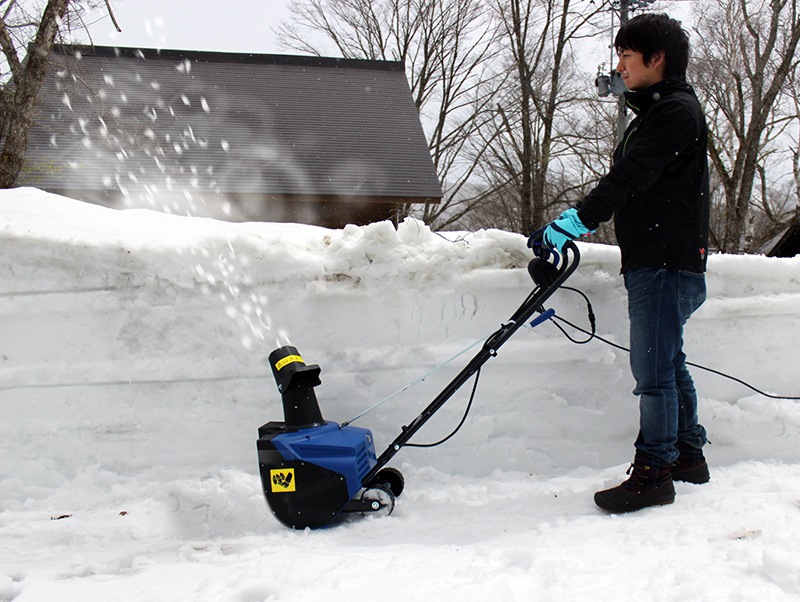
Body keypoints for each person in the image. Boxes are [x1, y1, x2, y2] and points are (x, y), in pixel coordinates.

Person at [528, 12, 711, 513]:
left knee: (653, 372)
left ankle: (654, 473)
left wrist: (571, 222)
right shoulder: (661, 111)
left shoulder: (674, 112)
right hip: (663, 259)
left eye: (627, 56)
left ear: (657, 59)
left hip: (665, 262)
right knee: (668, 363)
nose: (620, 67)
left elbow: (628, 179)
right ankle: (688, 455)